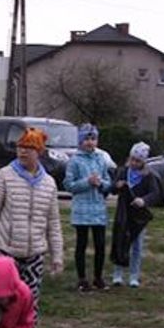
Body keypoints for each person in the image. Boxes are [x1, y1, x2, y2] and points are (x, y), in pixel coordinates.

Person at [0, 126, 63, 328]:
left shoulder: (48, 183)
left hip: (34, 254)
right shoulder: (4, 176)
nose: (23, 152)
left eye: (29, 148)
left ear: (40, 151)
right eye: (20, 147)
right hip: (5, 254)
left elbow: (53, 222)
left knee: (30, 304)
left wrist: (57, 255)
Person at [66, 123, 112, 292]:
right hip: (81, 211)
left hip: (98, 209)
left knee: (100, 244)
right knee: (82, 244)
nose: (90, 142)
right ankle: (82, 278)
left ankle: (98, 277)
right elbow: (69, 185)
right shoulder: (74, 161)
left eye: (93, 139)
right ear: (80, 141)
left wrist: (101, 183)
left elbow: (108, 183)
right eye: (87, 139)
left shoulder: (101, 159)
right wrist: (87, 182)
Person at [110, 142, 160, 288]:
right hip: (123, 212)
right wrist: (116, 186)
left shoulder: (149, 176)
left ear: (143, 161)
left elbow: (155, 194)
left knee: (137, 245)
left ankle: (134, 275)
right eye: (132, 159)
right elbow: (112, 188)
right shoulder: (123, 172)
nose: (134, 163)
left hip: (139, 216)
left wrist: (143, 200)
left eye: (138, 161)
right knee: (120, 241)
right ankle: (117, 273)